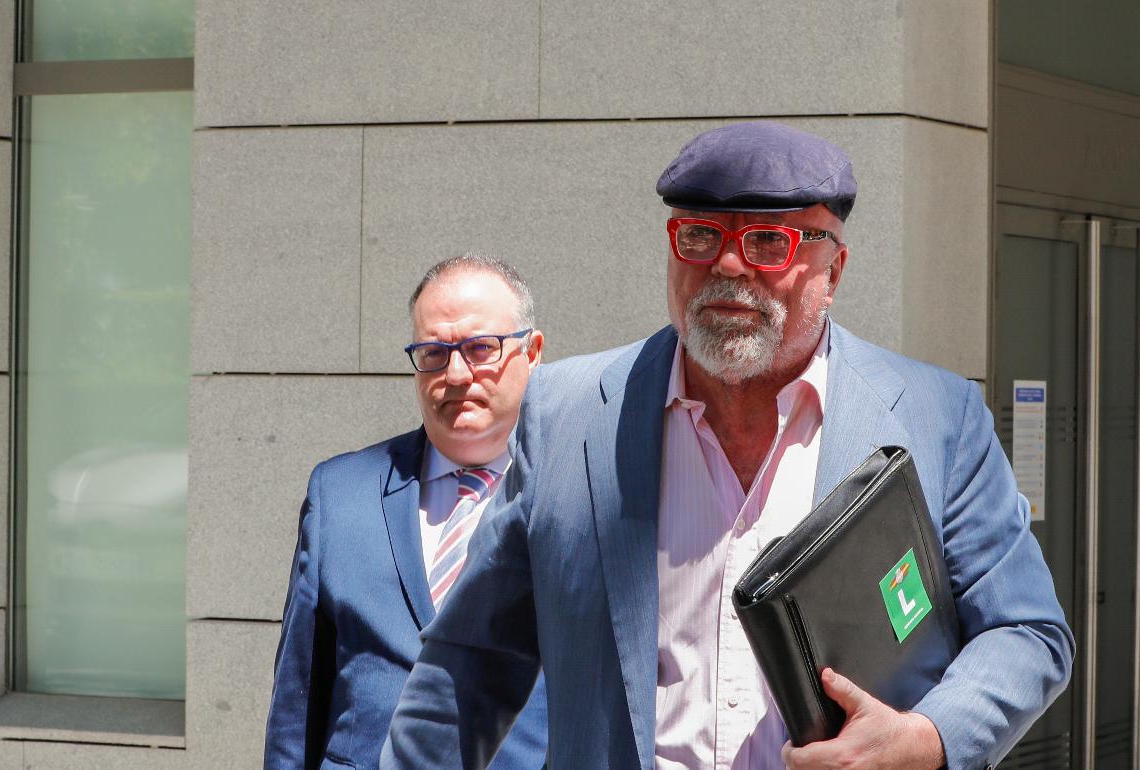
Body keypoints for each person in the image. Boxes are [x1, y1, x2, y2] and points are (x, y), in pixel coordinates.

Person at [381, 123, 1073, 770]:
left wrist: (926, 739)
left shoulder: (938, 418)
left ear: (834, 271)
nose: (730, 265)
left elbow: (1026, 632)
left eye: (770, 241)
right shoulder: (566, 417)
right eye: (700, 236)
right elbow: (467, 666)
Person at [264, 255, 548, 770]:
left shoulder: (578, 494)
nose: (456, 374)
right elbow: (296, 707)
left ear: (532, 353)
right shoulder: (340, 494)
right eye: (434, 353)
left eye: (481, 348)